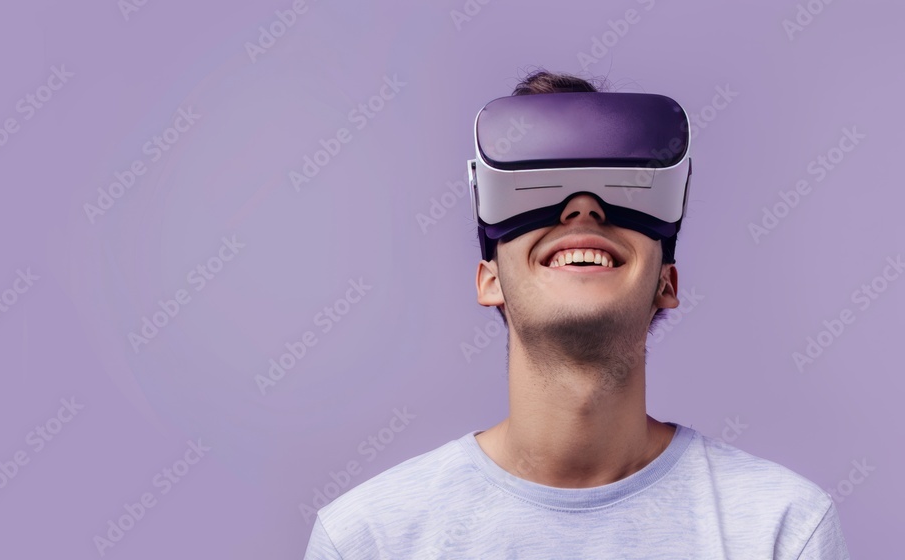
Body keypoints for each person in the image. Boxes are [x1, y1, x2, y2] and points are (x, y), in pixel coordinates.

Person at [302, 69, 850, 559]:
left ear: (668, 281)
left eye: (620, 185)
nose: (583, 208)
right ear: (488, 278)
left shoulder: (782, 531)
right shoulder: (367, 541)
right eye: (540, 185)